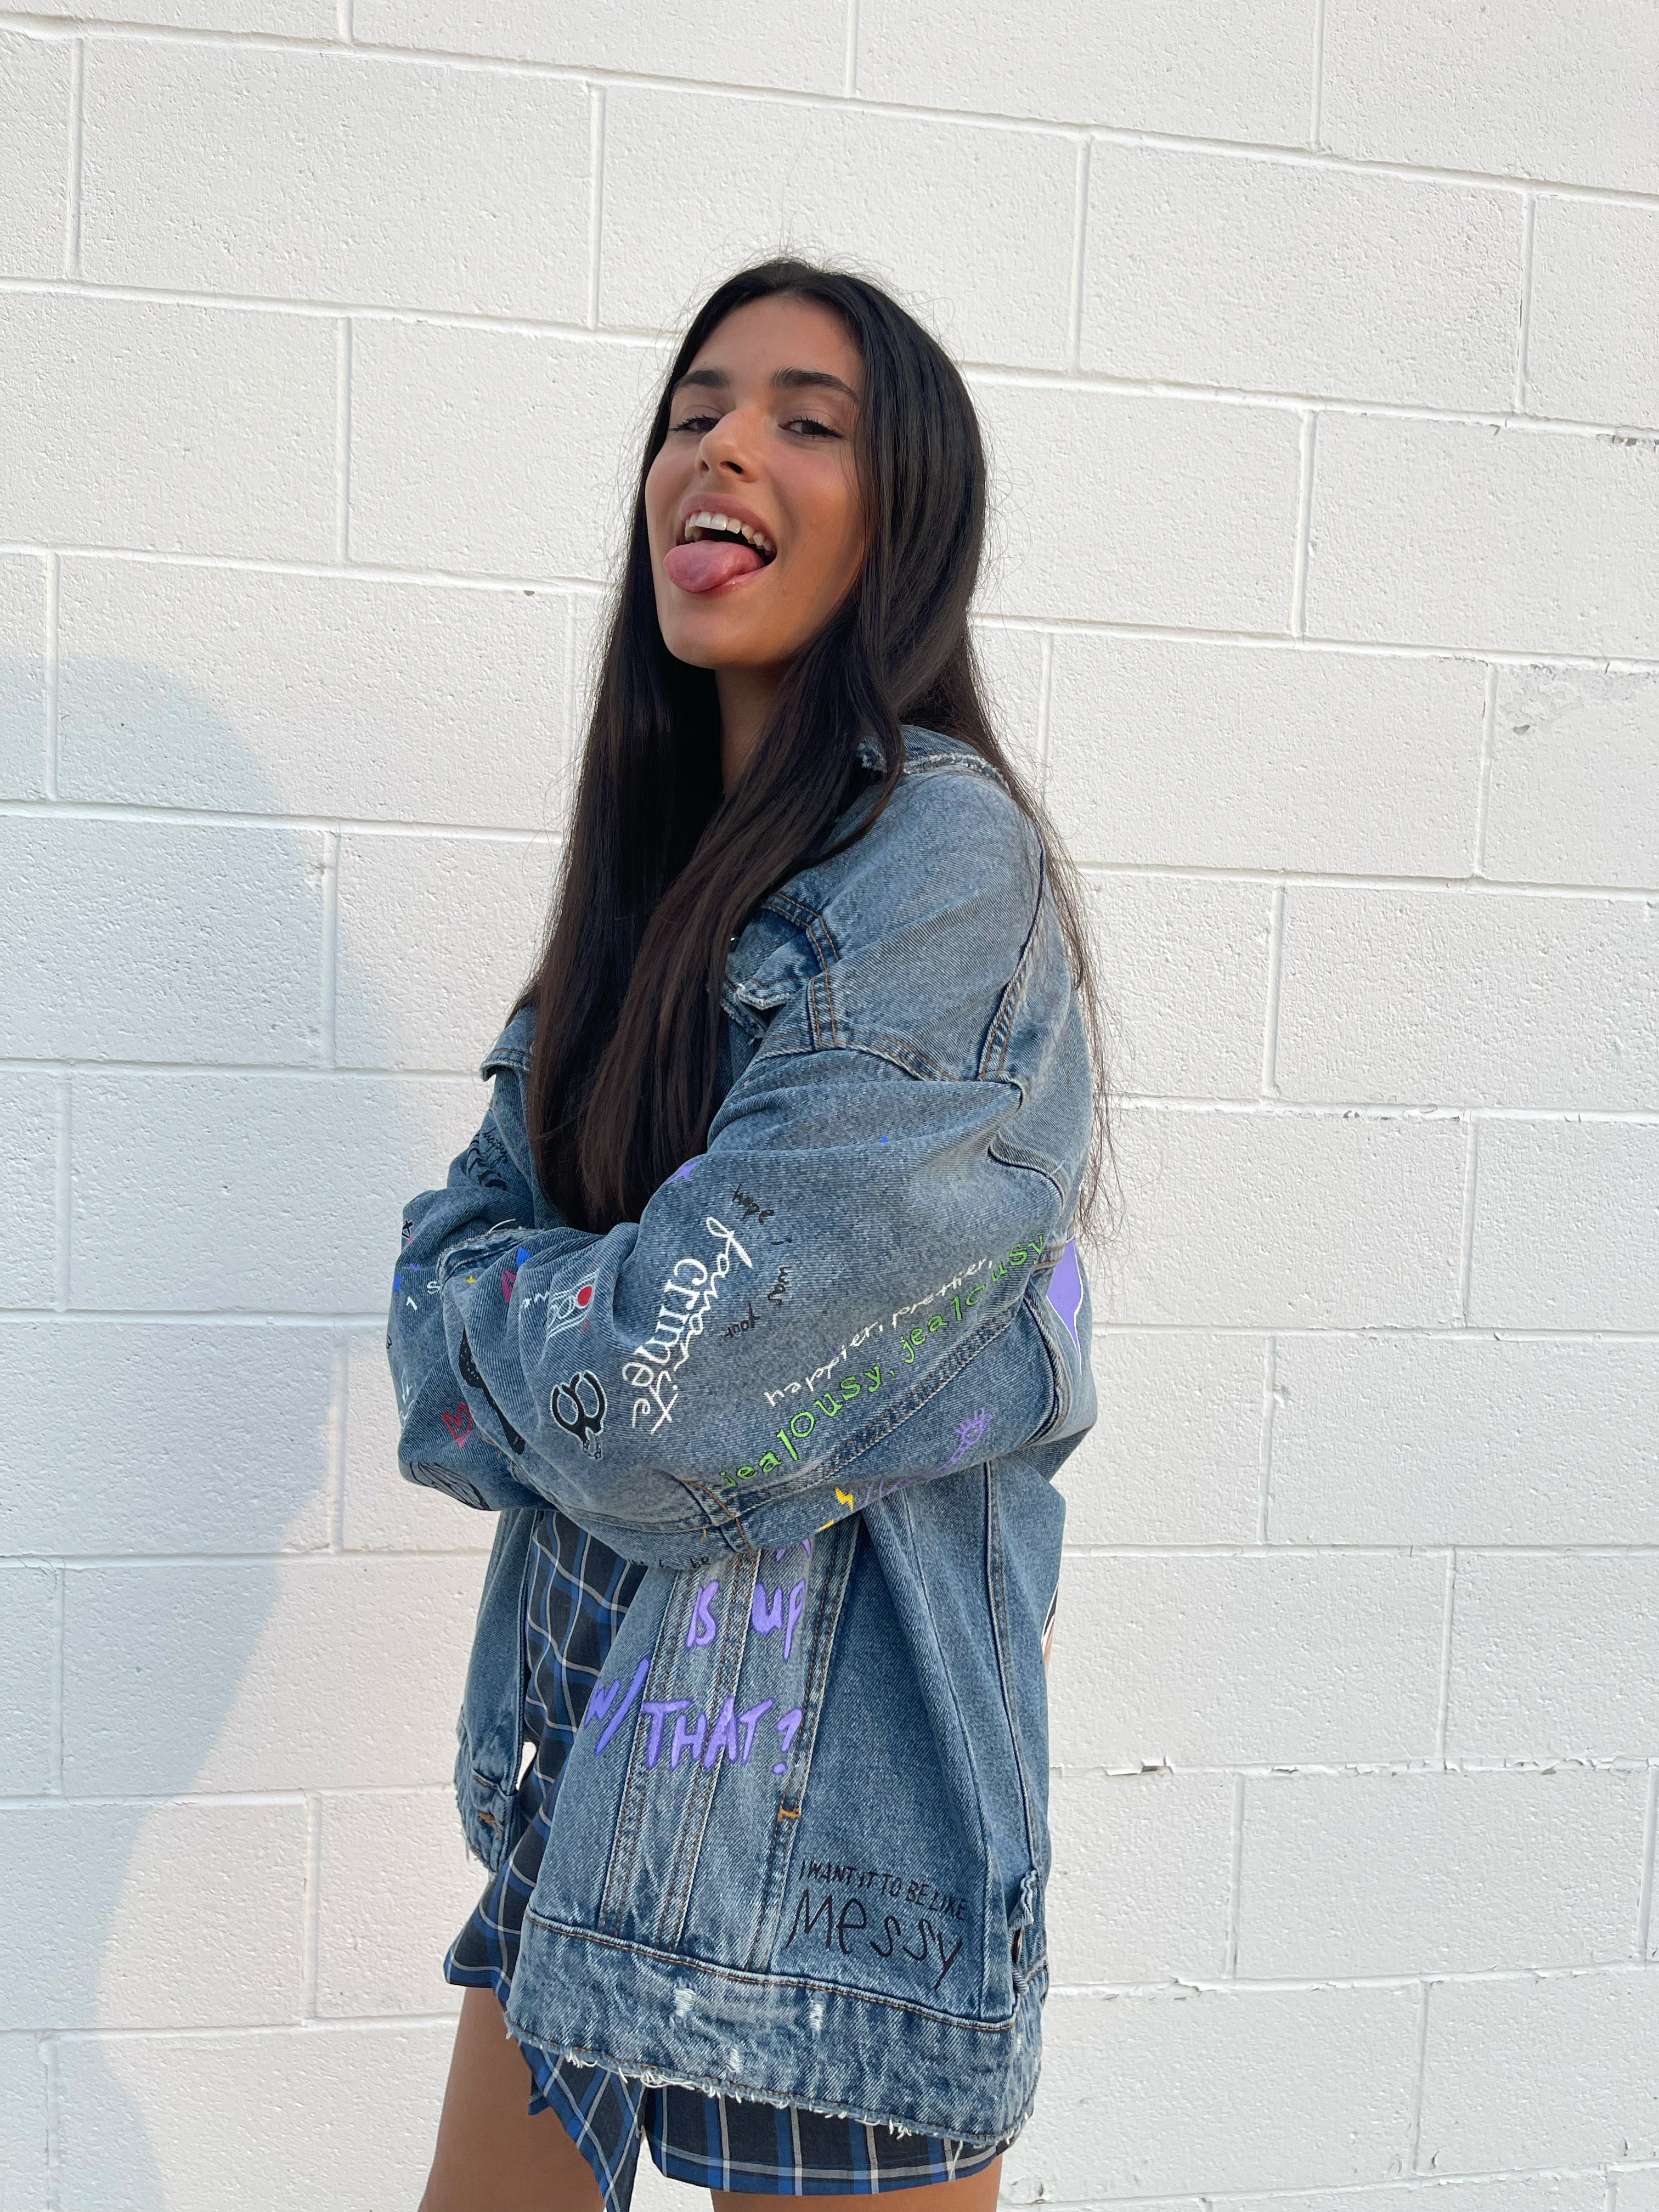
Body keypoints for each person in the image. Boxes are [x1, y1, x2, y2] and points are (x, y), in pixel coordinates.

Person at [390, 257, 1111, 2212]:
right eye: (696, 409)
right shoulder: (647, 881)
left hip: (837, 1864)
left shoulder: (940, 860)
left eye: (809, 420)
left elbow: (669, 1401)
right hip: (587, 1791)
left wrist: (538, 1334)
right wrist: (572, 1341)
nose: (722, 447)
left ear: (909, 518)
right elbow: (434, 1312)